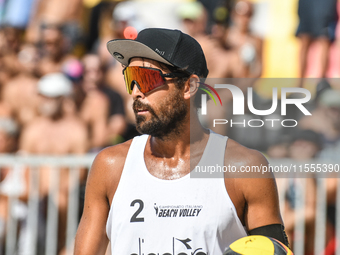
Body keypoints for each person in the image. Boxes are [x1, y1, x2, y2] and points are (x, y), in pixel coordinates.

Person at [74, 28, 289, 254]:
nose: (136, 92)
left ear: (189, 86)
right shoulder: (110, 166)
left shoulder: (244, 168)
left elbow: (276, 250)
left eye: (146, 79)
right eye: (131, 78)